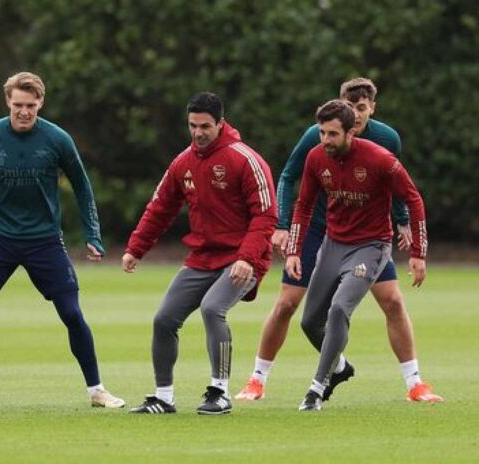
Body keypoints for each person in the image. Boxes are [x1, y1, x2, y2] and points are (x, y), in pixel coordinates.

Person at [237, 78, 442, 403]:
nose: (355, 114)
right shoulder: (317, 141)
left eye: (361, 108)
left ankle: (414, 383)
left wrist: (402, 222)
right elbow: (290, 177)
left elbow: (398, 188)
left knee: (392, 301)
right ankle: (257, 379)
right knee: (288, 304)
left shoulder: (386, 142)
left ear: (371, 108)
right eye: (349, 107)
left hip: (368, 236)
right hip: (320, 230)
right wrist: (283, 225)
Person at [0, 72, 124, 409]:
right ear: (7, 102)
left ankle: (97, 390)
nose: (24, 112)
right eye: (18, 105)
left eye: (30, 105)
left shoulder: (58, 139)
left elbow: (83, 187)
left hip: (44, 241)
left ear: (40, 103)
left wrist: (93, 234)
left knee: (72, 313)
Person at [124, 92, 277, 415]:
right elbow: (160, 208)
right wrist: (136, 248)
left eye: (205, 126)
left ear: (221, 124)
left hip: (243, 258)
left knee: (212, 308)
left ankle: (219, 392)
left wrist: (247, 258)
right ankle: (164, 397)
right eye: (192, 126)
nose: (197, 133)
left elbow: (265, 215)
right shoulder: (183, 163)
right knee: (164, 319)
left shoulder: (244, 159)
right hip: (202, 258)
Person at [285, 99, 428, 411]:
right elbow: (304, 206)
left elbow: (413, 198)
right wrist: (294, 251)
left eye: (333, 134)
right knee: (309, 322)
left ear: (351, 132)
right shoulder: (315, 157)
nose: (325, 140)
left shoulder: (380, 159)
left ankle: (316, 388)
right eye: (322, 132)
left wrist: (419, 253)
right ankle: (339, 369)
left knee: (339, 309)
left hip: (371, 247)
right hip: (332, 245)